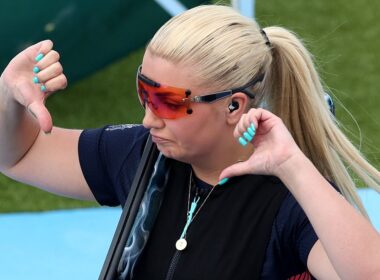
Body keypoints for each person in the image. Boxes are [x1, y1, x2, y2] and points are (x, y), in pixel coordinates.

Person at [0, 4, 379, 279]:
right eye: (144, 92)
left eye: (167, 102)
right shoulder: (140, 153)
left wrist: (294, 166)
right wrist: (7, 96)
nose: (148, 119)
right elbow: (20, 155)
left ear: (234, 105)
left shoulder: (288, 200)